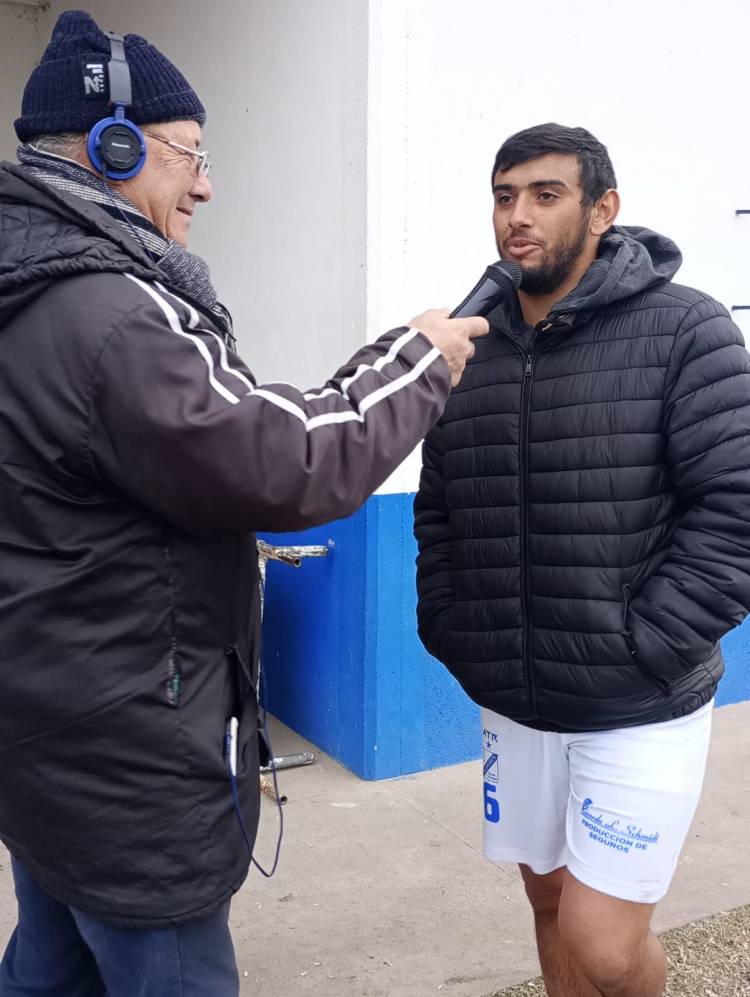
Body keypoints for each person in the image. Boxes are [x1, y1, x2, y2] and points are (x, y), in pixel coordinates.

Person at [0, 11, 488, 997]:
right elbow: (282, 461)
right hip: (126, 760)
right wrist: (416, 361)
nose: (207, 185)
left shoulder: (34, 289)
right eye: (191, 157)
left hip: (46, 735)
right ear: (116, 147)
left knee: (49, 963)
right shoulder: (109, 316)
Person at [414, 122, 750, 997]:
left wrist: (644, 643)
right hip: (516, 697)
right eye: (503, 195)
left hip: (635, 697)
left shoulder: (685, 328)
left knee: (602, 942)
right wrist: (451, 625)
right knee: (546, 896)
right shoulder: (469, 346)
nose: (516, 216)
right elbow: (439, 505)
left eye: (544, 194)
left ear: (604, 209)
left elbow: (736, 508)